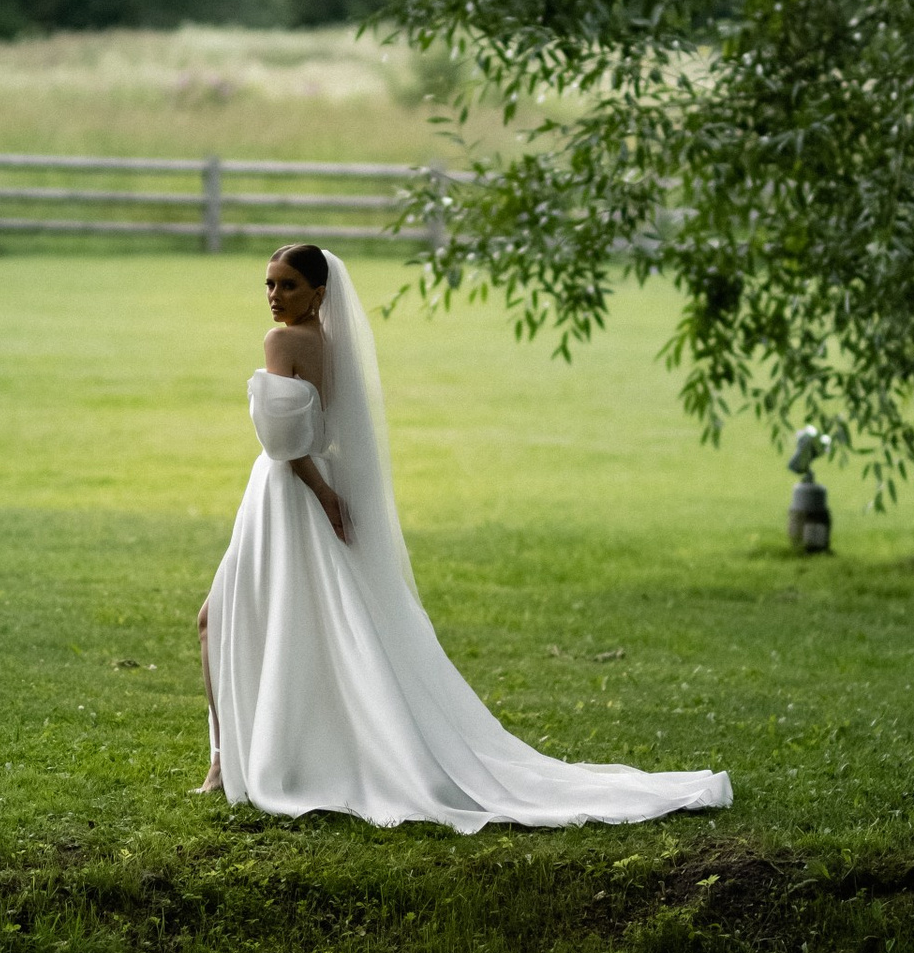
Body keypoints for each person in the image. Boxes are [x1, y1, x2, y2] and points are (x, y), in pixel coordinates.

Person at [196, 244, 732, 832]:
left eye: (289, 286)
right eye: (269, 285)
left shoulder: (282, 344)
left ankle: (230, 762)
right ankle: (247, 756)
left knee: (229, 618)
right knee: (291, 621)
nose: (275, 297)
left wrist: (323, 498)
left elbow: (287, 445)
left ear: (319, 292)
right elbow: (333, 433)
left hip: (288, 495)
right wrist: (334, 497)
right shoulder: (335, 345)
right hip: (313, 493)